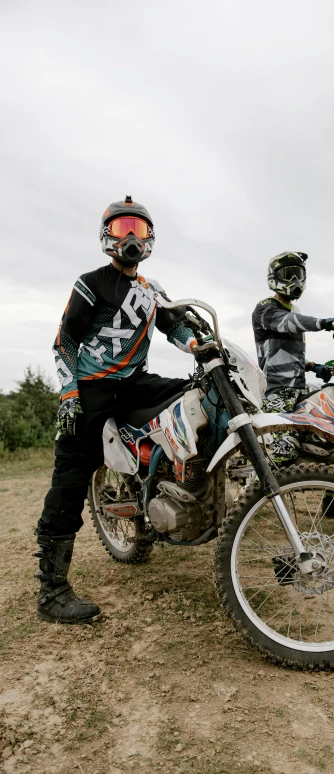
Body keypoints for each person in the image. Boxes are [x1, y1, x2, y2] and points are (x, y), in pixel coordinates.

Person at [34, 196, 196, 624]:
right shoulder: (91, 282)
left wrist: (199, 346)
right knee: (70, 476)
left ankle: (165, 487)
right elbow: (65, 342)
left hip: (133, 383)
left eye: (139, 229)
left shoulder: (152, 290)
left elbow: (174, 326)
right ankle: (51, 592)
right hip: (90, 387)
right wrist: (69, 393)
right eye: (123, 227)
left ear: (150, 239)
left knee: (194, 391)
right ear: (107, 236)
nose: (131, 236)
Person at [252, 251, 334, 467]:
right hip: (275, 390)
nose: (294, 280)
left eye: (298, 274)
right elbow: (287, 322)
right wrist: (324, 322)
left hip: (297, 387)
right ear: (274, 276)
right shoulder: (266, 308)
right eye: (289, 274)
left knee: (331, 433)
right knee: (285, 449)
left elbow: (287, 353)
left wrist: (313, 366)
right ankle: (251, 492)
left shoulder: (295, 311)